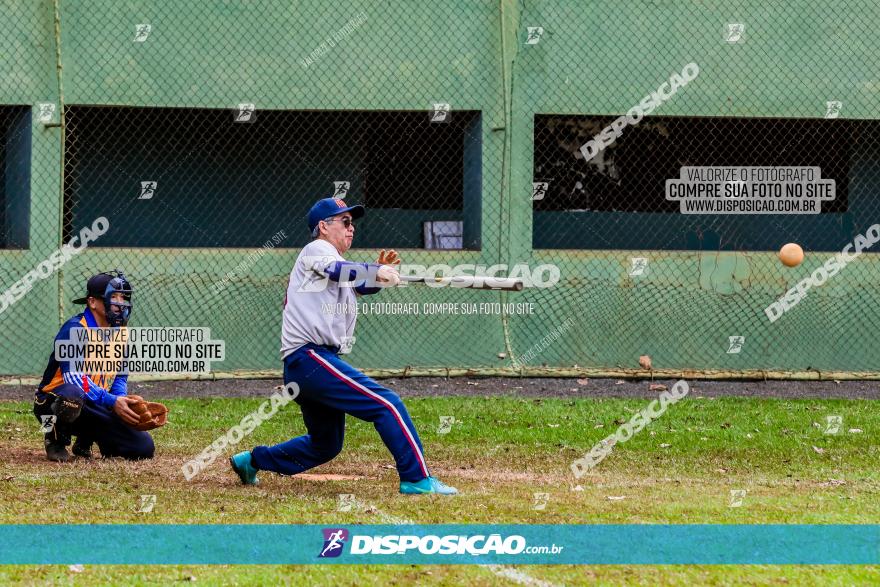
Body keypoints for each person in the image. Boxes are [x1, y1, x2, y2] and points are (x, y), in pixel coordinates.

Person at [230, 197, 457, 495]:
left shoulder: (332, 263)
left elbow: (358, 283)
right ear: (323, 227)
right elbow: (341, 272)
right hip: (310, 358)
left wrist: (377, 274)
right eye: (345, 222)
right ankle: (416, 478)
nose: (352, 229)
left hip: (308, 363)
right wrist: (374, 271)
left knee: (325, 445)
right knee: (387, 404)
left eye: (353, 224)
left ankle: (252, 460)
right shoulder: (317, 250)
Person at [33, 270, 154, 462]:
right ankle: (53, 438)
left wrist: (121, 401)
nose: (120, 302)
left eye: (123, 297)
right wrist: (111, 400)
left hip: (94, 402)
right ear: (92, 302)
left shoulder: (121, 332)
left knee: (143, 448)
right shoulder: (75, 329)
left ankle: (85, 440)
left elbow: (120, 376)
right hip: (51, 403)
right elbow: (73, 377)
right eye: (113, 297)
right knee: (71, 395)